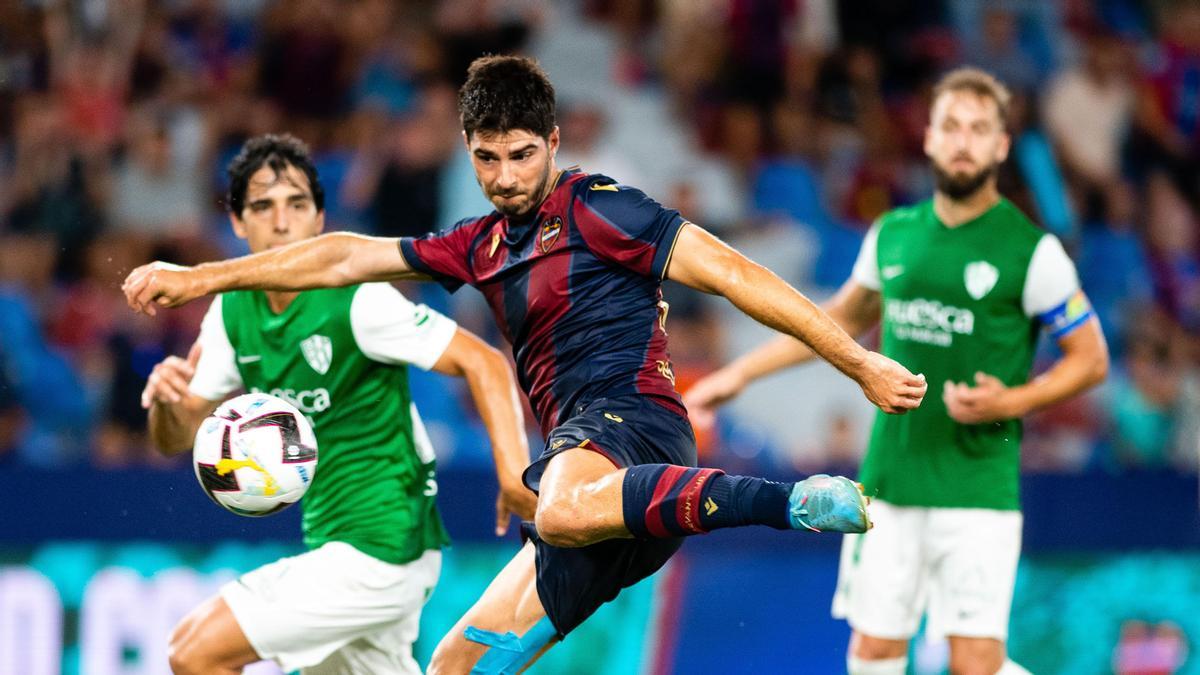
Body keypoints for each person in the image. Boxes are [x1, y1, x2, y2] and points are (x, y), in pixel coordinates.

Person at [123, 56, 927, 673]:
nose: (504, 176)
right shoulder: (475, 244)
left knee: (558, 506)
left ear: (551, 142)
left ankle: (791, 503)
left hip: (636, 433)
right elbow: (339, 257)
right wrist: (200, 279)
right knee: (453, 664)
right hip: (604, 489)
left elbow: (739, 276)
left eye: (519, 154)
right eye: (486, 158)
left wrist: (856, 362)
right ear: (468, 153)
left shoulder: (604, 208)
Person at [686, 67, 1110, 675]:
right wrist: (740, 375)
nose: (963, 140)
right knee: (874, 652)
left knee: (974, 665)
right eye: (951, 126)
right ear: (930, 138)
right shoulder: (893, 235)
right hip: (888, 484)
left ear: (1000, 146)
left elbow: (1092, 359)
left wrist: (1014, 400)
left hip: (979, 491)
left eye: (978, 129)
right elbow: (835, 324)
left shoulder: (1033, 253)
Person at [140, 134, 536, 675]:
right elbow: (174, 439)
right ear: (237, 222)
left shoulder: (359, 300)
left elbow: (484, 362)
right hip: (338, 545)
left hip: (383, 547)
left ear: (320, 219)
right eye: (263, 206)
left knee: (193, 650)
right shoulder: (231, 314)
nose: (282, 222)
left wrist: (515, 476)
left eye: (296, 205)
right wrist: (167, 402)